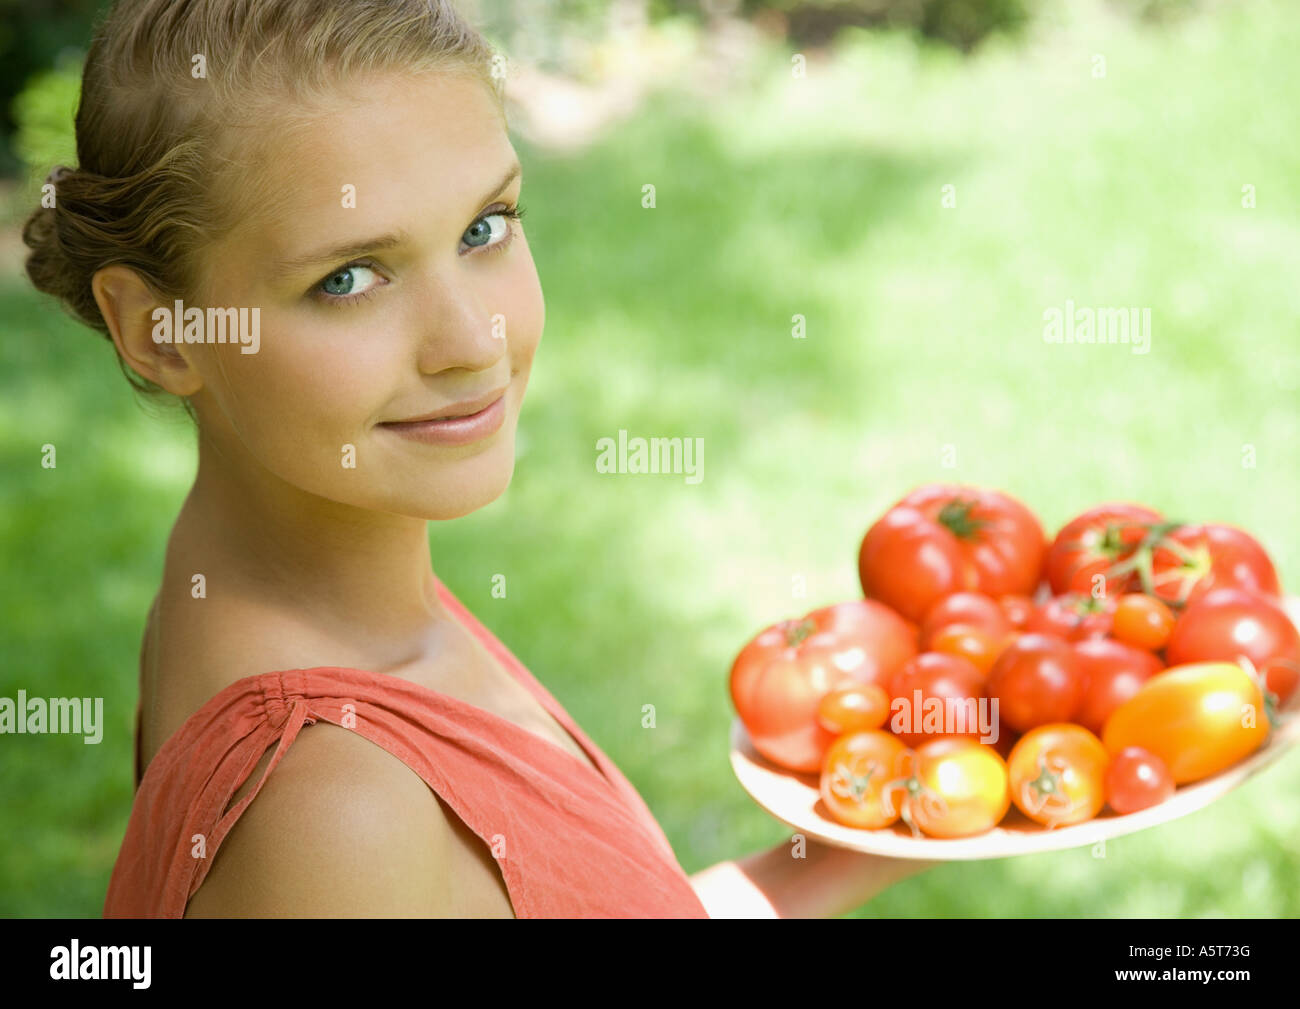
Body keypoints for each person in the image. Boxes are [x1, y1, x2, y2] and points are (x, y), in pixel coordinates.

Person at [23, 0, 938, 918]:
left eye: (485, 227)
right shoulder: (335, 809)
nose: (471, 342)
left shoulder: (295, 594)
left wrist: (840, 852)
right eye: (347, 279)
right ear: (160, 331)